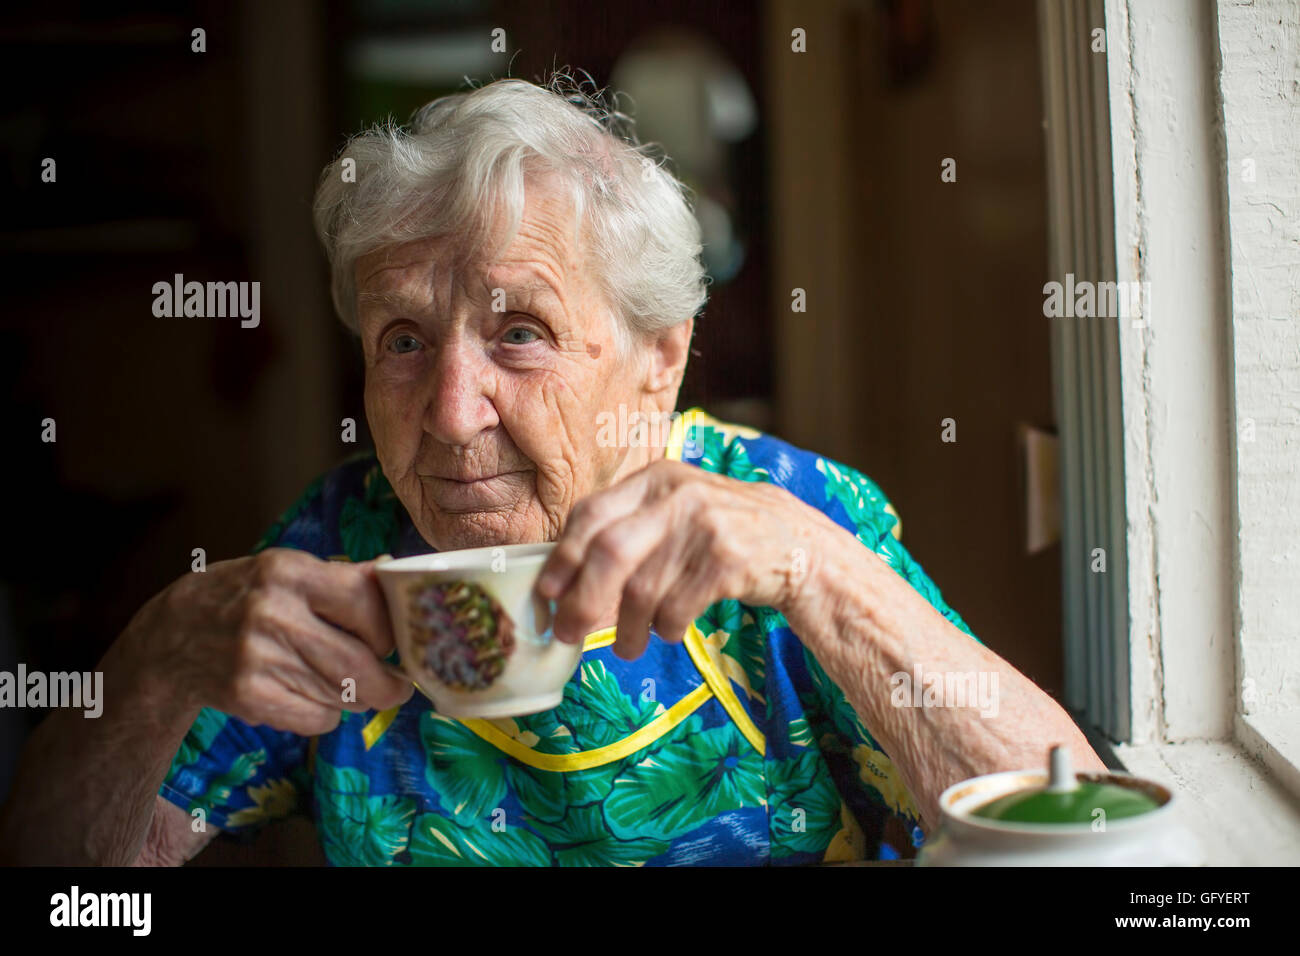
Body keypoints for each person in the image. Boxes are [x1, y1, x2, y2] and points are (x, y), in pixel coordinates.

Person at [0, 75, 1103, 866]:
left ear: (654, 362)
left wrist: (822, 574)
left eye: (518, 330)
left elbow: (1084, 831)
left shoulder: (787, 517)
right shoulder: (339, 547)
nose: (449, 408)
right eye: (402, 338)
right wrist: (153, 660)